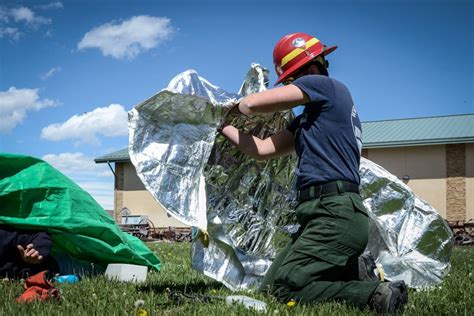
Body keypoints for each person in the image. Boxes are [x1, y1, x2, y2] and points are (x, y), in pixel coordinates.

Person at [219, 32, 408, 313]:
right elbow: (260, 149)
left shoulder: (327, 86)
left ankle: (375, 293)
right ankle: (352, 270)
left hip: (335, 212)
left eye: (293, 80)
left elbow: (252, 105)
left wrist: (227, 105)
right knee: (271, 289)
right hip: (320, 215)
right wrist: (223, 126)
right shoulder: (310, 119)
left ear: (309, 69)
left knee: (287, 288)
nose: (293, 87)